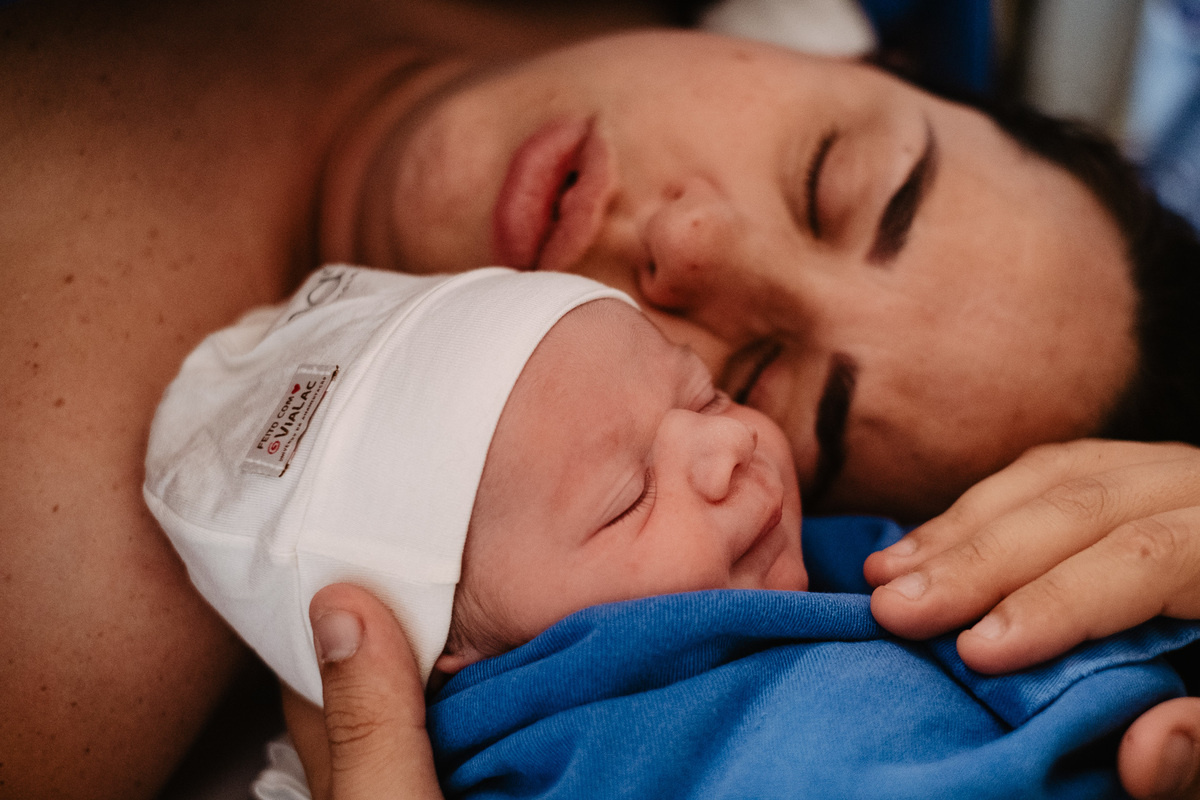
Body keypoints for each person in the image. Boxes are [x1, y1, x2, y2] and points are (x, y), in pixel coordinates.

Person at [4, 1, 1200, 797]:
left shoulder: (54, 637)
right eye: (832, 175)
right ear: (841, 56)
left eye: (747, 387)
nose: (688, 244)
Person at [146, 265, 1196, 799]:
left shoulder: (858, 555)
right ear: (445, 651)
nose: (723, 449)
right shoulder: (514, 749)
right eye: (625, 497)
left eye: (700, 396)